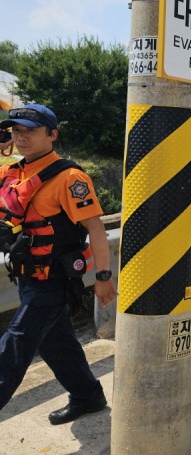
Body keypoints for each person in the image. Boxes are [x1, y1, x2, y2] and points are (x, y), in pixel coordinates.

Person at [0, 104, 116, 424]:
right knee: (56, 343)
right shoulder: (12, 171)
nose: (20, 137)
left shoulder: (70, 177)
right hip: (26, 274)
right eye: (15, 130)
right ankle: (87, 395)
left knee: (15, 345)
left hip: (53, 279)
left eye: (30, 131)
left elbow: (95, 229)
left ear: (52, 135)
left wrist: (104, 276)